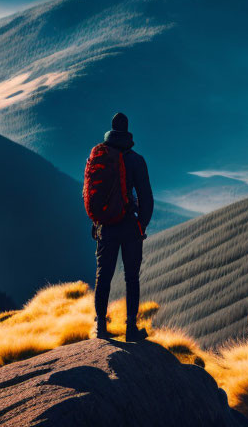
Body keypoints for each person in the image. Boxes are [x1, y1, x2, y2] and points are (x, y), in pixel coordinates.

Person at [91, 112, 153, 341]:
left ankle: (100, 328)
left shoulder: (101, 156)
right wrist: (141, 225)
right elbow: (147, 198)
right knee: (131, 278)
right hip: (129, 226)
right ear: (127, 131)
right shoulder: (136, 160)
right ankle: (130, 329)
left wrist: (96, 221)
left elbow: (94, 193)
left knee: (103, 276)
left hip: (105, 226)